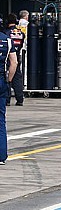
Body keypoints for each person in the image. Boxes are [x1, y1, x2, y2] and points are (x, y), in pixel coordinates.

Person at [0, 18, 18, 166]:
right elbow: (14, 63)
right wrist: (8, 80)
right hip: (1, 80)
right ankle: (1, 155)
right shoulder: (7, 41)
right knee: (0, 120)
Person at [4, 15, 25, 106]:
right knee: (17, 78)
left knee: (7, 78)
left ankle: (7, 99)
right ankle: (20, 99)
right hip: (17, 56)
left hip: (8, 57)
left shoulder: (6, 33)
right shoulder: (21, 33)